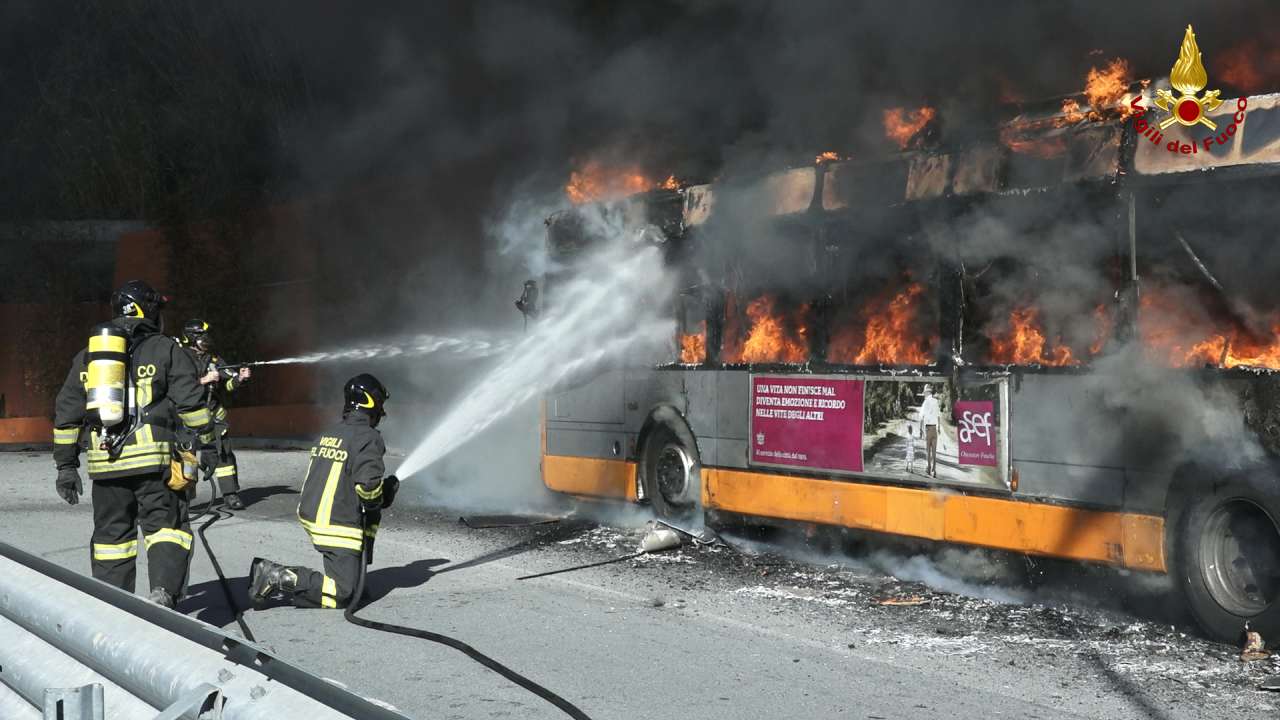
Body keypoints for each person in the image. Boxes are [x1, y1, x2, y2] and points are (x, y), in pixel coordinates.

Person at [52, 280, 214, 608]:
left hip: (106, 466)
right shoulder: (166, 348)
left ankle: (113, 607)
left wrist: (66, 468)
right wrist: (209, 445)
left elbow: (66, 416)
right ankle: (162, 595)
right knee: (167, 529)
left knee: (112, 540)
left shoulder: (89, 357)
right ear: (148, 310)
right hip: (155, 465)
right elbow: (193, 406)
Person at [248, 373, 399, 609]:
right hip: (337, 523)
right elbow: (368, 489)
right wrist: (385, 494)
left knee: (353, 584)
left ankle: (354, 578)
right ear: (373, 403)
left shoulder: (331, 433)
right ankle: (275, 575)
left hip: (314, 514)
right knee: (343, 593)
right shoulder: (368, 437)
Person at [178, 318, 252, 510]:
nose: (207, 339)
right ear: (192, 338)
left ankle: (230, 494)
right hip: (188, 418)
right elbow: (178, 387)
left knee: (224, 454)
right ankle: (183, 500)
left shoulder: (213, 359)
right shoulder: (180, 358)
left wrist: (240, 379)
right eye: (203, 336)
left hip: (214, 416)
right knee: (187, 458)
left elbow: (228, 383)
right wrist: (204, 380)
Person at [919, 384, 941, 478]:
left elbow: (921, 417)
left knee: (928, 451)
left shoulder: (925, 403)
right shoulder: (936, 401)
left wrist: (920, 429)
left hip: (928, 429)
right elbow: (939, 415)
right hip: (935, 429)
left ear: (927, 392)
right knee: (934, 451)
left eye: (924, 393)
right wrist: (939, 427)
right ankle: (934, 470)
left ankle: (928, 469)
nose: (924, 394)